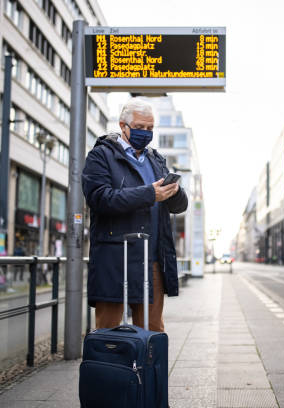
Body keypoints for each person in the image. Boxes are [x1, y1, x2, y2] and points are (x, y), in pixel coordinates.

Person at [82, 98, 187, 332]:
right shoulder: (101, 156)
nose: (146, 133)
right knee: (108, 331)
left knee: (153, 332)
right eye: (140, 127)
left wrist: (175, 191)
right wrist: (150, 194)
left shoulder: (156, 160)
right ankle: (110, 370)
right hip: (115, 258)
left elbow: (179, 207)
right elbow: (100, 198)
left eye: (150, 128)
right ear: (123, 125)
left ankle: (150, 371)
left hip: (152, 260)